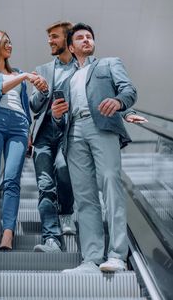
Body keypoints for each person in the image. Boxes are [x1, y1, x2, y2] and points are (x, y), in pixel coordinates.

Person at [52, 23, 137, 272]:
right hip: (74, 132)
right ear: (71, 46)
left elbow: (129, 90)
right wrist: (58, 116)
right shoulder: (66, 77)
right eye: (80, 38)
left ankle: (117, 256)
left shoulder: (109, 63)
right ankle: (91, 259)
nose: (87, 40)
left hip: (102, 127)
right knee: (84, 197)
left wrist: (119, 101)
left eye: (90, 37)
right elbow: (59, 119)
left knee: (111, 183)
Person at [0, 30, 47, 250]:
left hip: (19, 127)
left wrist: (41, 90)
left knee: (12, 181)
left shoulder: (18, 73)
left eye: (11, 42)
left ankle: (7, 234)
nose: (10, 46)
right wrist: (23, 77)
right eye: (6, 43)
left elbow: (28, 105)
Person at [30, 21, 77, 253]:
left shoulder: (82, 69)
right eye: (49, 37)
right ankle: (51, 239)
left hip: (69, 131)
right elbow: (33, 106)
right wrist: (42, 92)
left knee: (63, 168)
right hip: (44, 133)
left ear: (68, 40)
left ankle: (67, 211)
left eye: (55, 36)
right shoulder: (43, 69)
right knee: (45, 186)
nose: (50, 41)